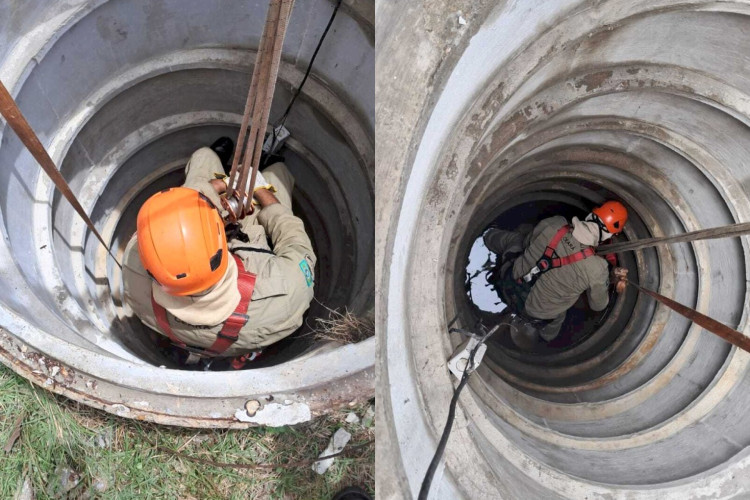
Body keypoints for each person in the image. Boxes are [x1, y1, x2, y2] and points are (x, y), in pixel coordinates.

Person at [122, 138, 316, 369]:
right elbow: (294, 238)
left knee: (204, 156)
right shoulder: (282, 291)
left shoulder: (133, 267)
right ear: (222, 241)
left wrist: (219, 185)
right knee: (277, 174)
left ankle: (214, 161)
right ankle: (268, 172)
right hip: (252, 254)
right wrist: (260, 189)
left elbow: (162, 223)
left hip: (199, 333)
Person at [484, 201, 629, 349]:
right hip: (537, 315)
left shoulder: (555, 223)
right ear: (610, 234)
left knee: (516, 241)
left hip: (508, 282)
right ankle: (546, 341)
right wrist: (609, 280)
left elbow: (528, 242)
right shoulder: (598, 268)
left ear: (592, 214)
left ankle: (487, 236)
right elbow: (598, 305)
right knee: (559, 314)